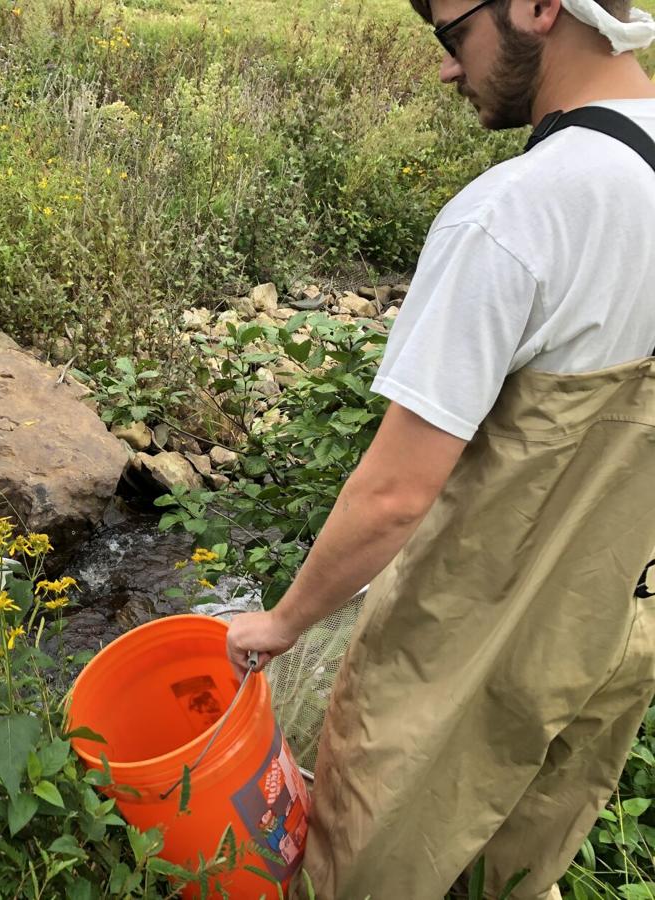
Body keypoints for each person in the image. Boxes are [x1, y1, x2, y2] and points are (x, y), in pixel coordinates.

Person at [225, 2, 655, 898]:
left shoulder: (515, 211)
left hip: (472, 638)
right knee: (518, 869)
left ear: (539, 8)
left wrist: (283, 623)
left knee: (368, 865)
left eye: (452, 35)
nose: (448, 70)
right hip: (622, 626)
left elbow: (394, 496)